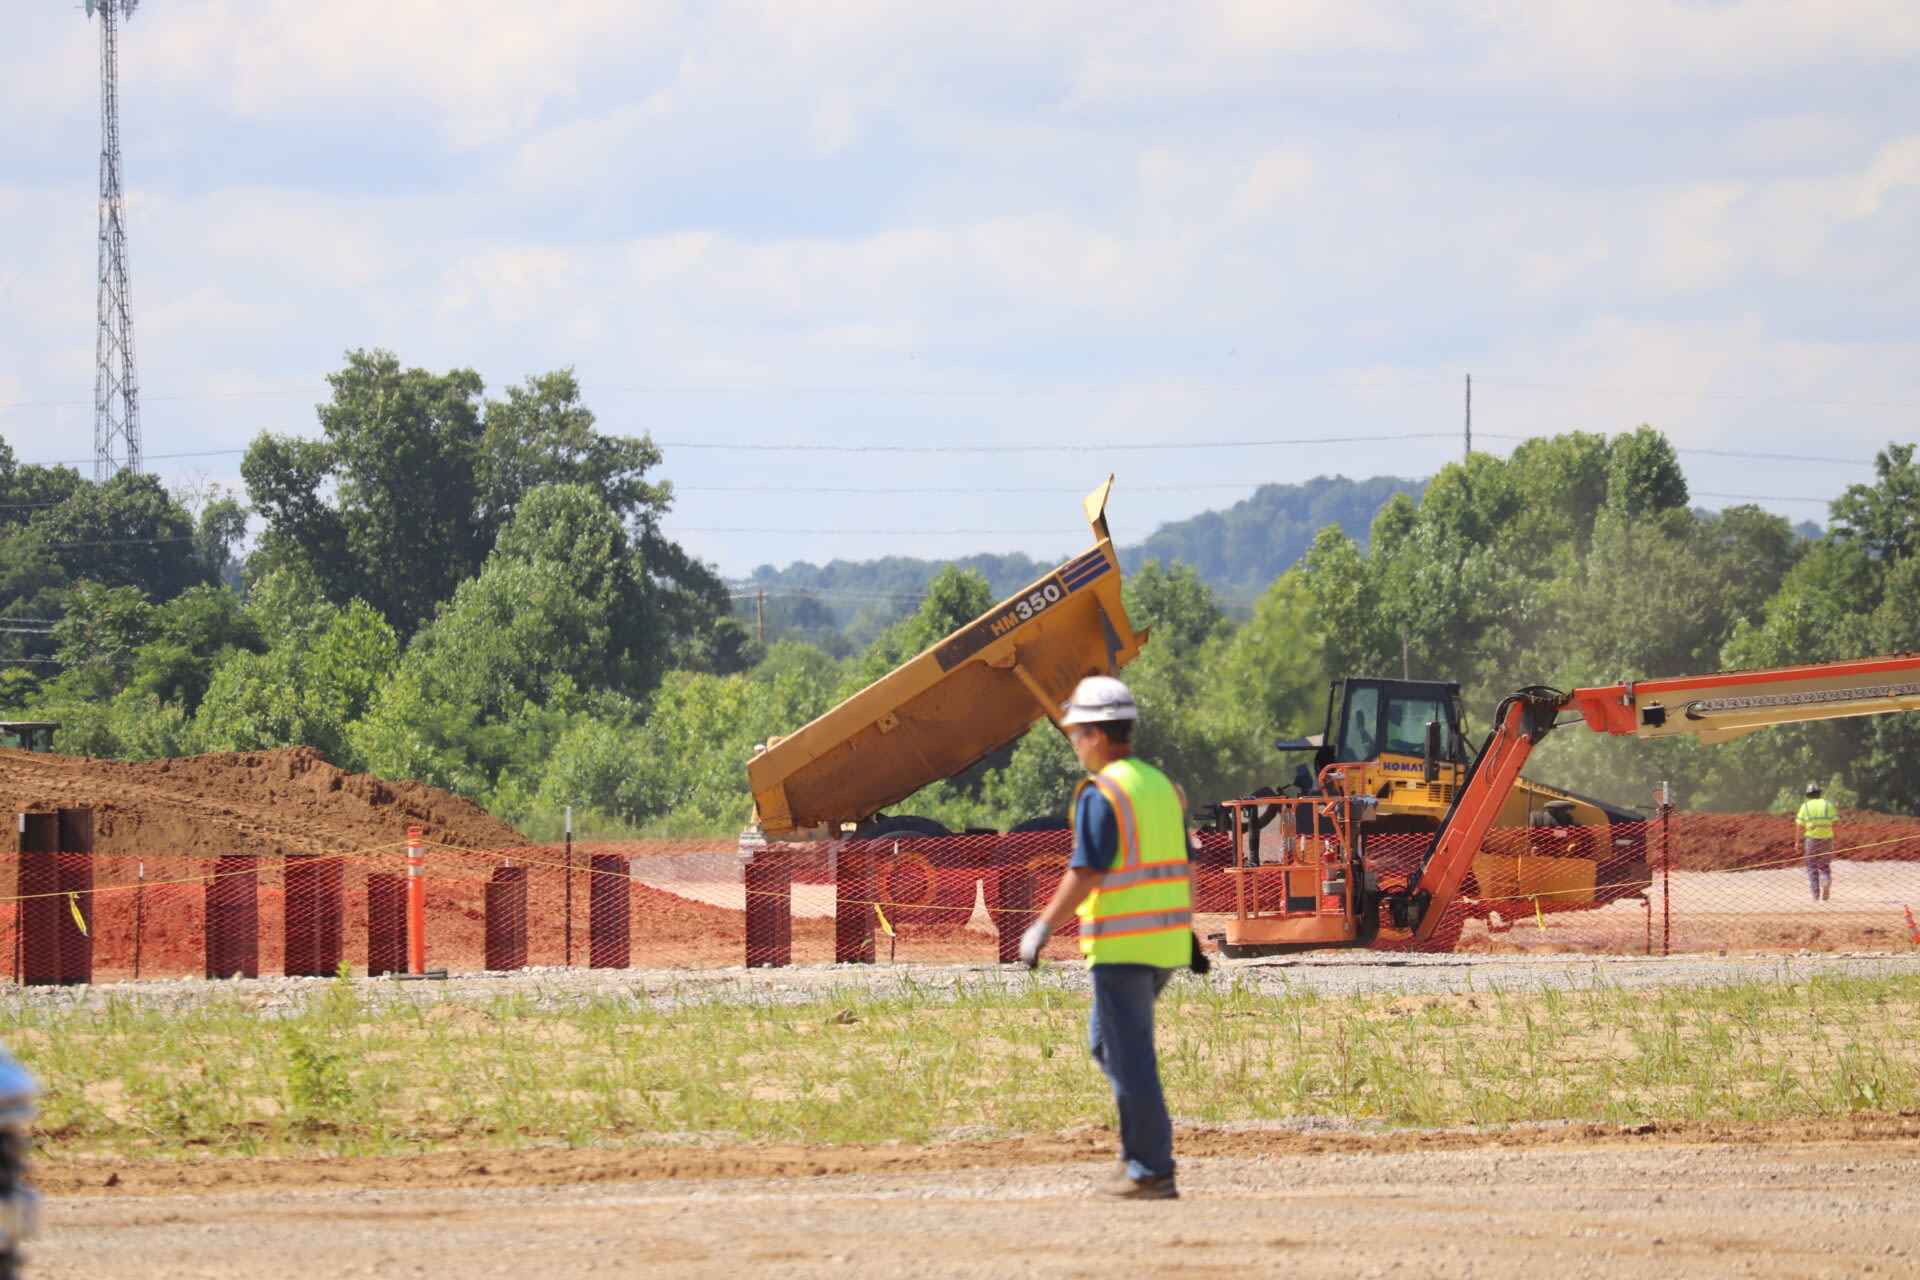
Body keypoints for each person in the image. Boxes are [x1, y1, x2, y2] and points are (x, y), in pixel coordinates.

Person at [1019, 675, 1195, 1201]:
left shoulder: (1104, 793)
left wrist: (1043, 926)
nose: (1073, 743)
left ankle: (1149, 1168)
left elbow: (1087, 870)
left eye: (1075, 733)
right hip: (1165, 943)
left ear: (1095, 735)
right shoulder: (1161, 785)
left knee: (1130, 1056)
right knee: (1109, 1045)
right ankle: (1143, 1158)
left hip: (1124, 945)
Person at [1796, 782, 1837, 902]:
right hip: (1826, 839)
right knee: (1824, 865)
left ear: (1808, 795)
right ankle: (1826, 880)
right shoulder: (1827, 805)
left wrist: (1798, 842)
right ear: (1819, 793)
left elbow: (1799, 825)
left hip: (1811, 840)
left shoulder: (1805, 806)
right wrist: (1835, 841)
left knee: (1811, 866)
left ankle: (1815, 894)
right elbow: (1835, 823)